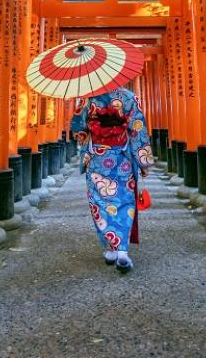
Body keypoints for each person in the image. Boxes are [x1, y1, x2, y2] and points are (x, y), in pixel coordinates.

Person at [70, 86, 154, 273]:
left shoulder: (86, 99)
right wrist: (143, 162)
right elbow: (138, 129)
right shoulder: (130, 97)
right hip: (122, 157)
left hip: (98, 158)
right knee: (124, 199)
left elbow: (77, 128)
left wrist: (91, 132)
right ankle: (122, 250)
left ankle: (111, 247)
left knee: (100, 201)